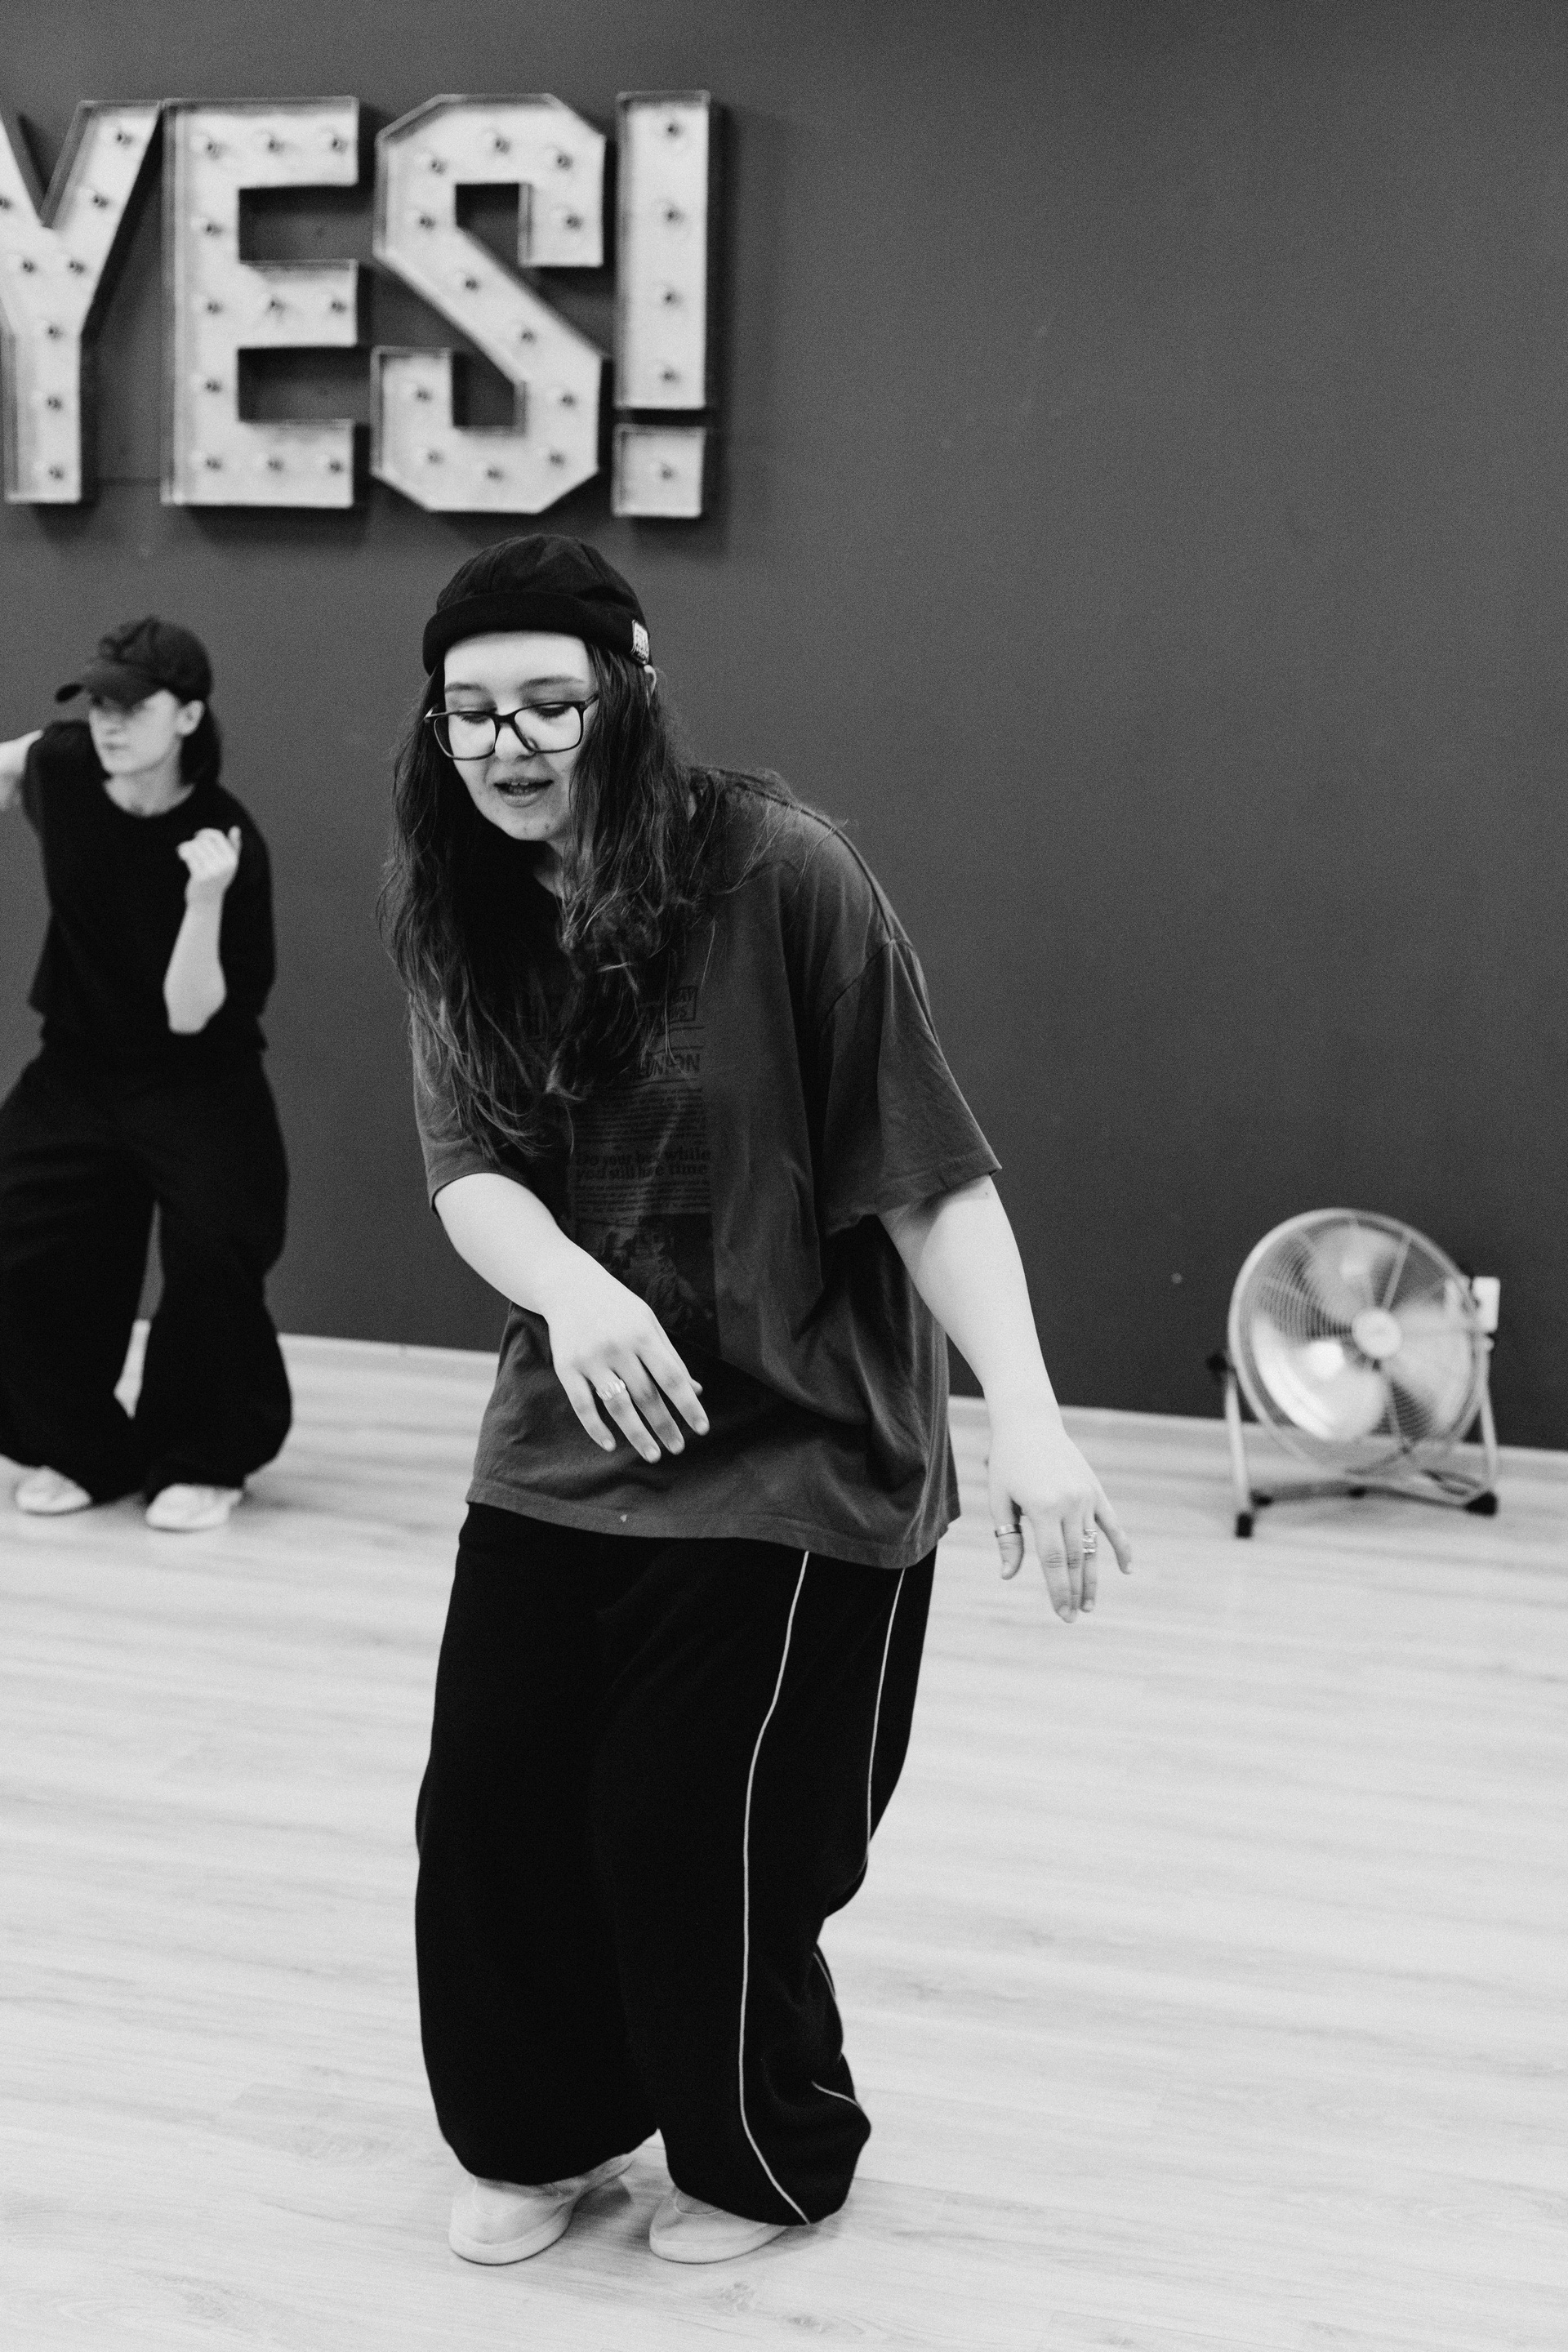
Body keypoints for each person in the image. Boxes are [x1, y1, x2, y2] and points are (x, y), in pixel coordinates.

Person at [385, 534, 1133, 2270]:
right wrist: (573, 1290)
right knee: (488, 1807)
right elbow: (468, 1168)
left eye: (550, 703)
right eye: (471, 711)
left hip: (797, 1442)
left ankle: (761, 2155)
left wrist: (1027, 1415)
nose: (508, 745)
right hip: (572, 1438)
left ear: (631, 696)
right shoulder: (458, 900)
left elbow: (928, 1175)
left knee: (693, 1829)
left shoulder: (781, 873)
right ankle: (538, 2126)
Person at [0, 617, 291, 1533]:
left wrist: (203, 901)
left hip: (197, 1073)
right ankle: (84, 1446)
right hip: (78, 1062)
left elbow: (190, 1014)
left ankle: (203, 1456)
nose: (110, 723)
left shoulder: (224, 841)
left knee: (214, 1246)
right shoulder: (64, 765)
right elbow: (13, 762)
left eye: (132, 706)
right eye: (98, 704)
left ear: (189, 715)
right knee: (20, 1233)